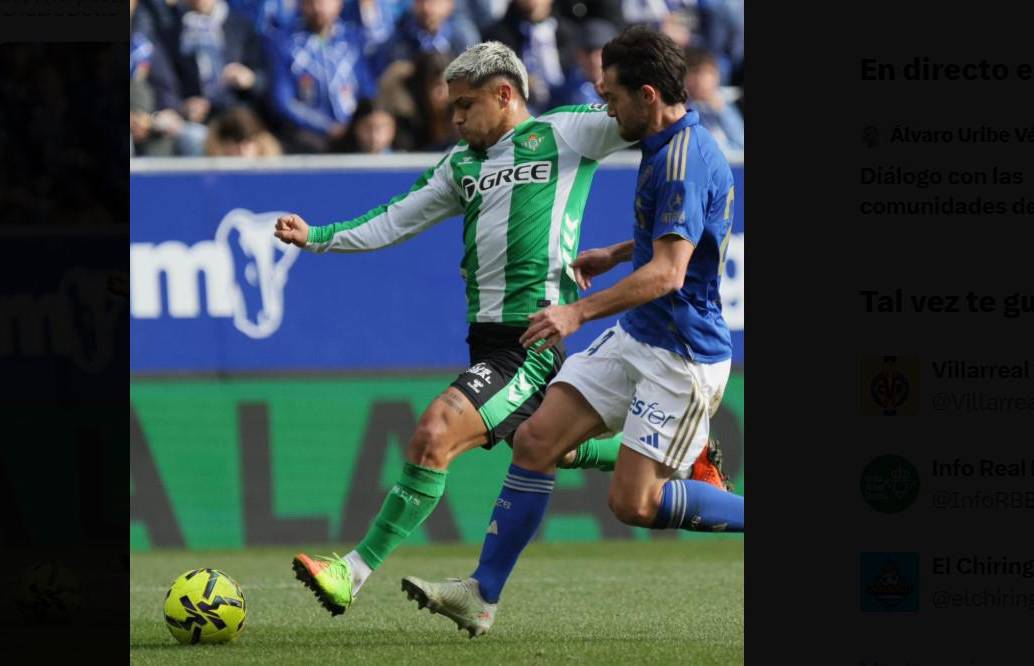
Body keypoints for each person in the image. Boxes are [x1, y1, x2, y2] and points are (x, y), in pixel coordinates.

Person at [272, 40, 729, 619]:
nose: (456, 118)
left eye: (466, 105)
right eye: (451, 107)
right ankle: (684, 458)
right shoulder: (459, 165)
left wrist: (595, 287)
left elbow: (649, 120)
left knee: (436, 431)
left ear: (505, 95)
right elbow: (393, 219)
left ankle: (352, 572)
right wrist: (318, 235)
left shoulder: (567, 132)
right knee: (542, 444)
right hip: (486, 339)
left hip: (533, 339)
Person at [399, 26, 743, 638]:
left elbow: (668, 274)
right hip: (641, 335)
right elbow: (676, 243)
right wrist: (614, 253)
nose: (604, 105)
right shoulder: (663, 141)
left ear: (646, 93)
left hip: (681, 353)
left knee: (632, 504)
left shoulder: (685, 160)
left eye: (610, 94)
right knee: (535, 440)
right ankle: (482, 595)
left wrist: (577, 313)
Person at [267, 0, 375, 153]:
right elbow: (283, 101)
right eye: (310, 3)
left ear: (339, 4)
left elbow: (368, 89)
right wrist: (326, 127)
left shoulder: (354, 39)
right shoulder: (284, 43)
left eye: (324, 2)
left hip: (353, 131)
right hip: (308, 136)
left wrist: (356, 125)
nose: (317, 8)